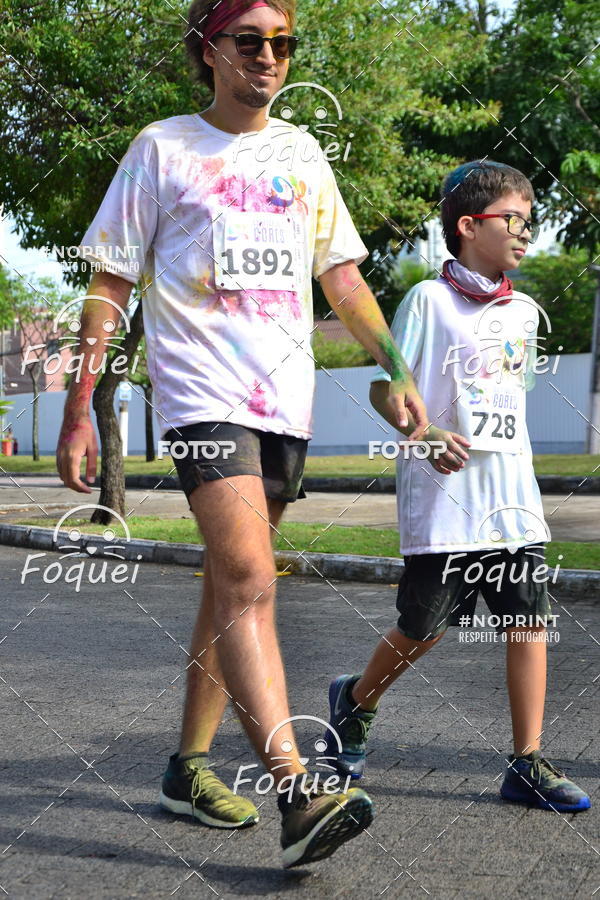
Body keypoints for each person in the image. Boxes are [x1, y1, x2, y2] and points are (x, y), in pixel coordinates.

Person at [55, 0, 428, 868]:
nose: (268, 57)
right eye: (249, 40)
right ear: (208, 49)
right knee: (252, 576)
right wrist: (81, 403)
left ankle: (188, 766)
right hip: (199, 396)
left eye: (283, 42)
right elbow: (109, 282)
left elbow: (341, 276)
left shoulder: (301, 153)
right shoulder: (163, 146)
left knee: (230, 585)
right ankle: (297, 789)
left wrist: (397, 367)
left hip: (282, 403)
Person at [325, 160, 591, 813]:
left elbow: (509, 400)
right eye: (514, 221)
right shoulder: (426, 301)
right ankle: (356, 701)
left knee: (529, 623)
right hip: (444, 502)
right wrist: (425, 434)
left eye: (531, 222)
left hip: (512, 502)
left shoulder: (525, 313)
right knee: (426, 629)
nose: (527, 233)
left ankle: (526, 762)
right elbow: (387, 389)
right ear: (470, 226)